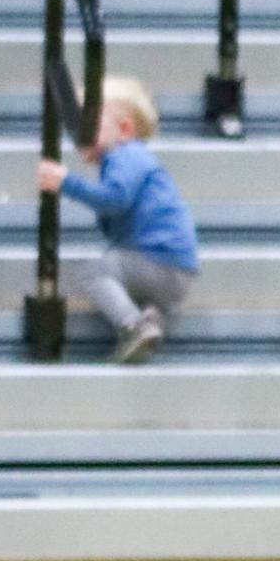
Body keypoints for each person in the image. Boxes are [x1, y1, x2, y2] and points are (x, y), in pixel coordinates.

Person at [34, 76, 199, 366]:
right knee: (117, 265)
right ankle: (154, 317)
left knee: (93, 271)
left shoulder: (126, 156)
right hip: (176, 270)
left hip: (158, 260)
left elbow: (115, 200)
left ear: (124, 129)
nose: (80, 135)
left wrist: (66, 182)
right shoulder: (130, 159)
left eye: (90, 126)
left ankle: (133, 325)